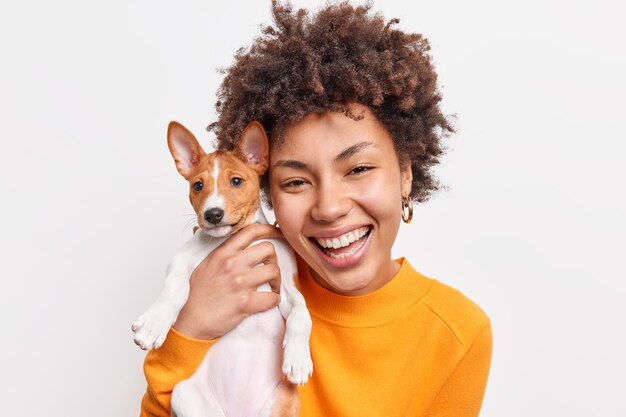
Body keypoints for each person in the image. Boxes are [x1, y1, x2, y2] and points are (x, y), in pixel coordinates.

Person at [140, 1, 492, 416]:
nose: (329, 207)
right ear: (265, 190)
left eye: (358, 168)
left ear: (405, 176)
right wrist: (190, 330)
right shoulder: (234, 283)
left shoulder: (456, 332)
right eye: (295, 181)